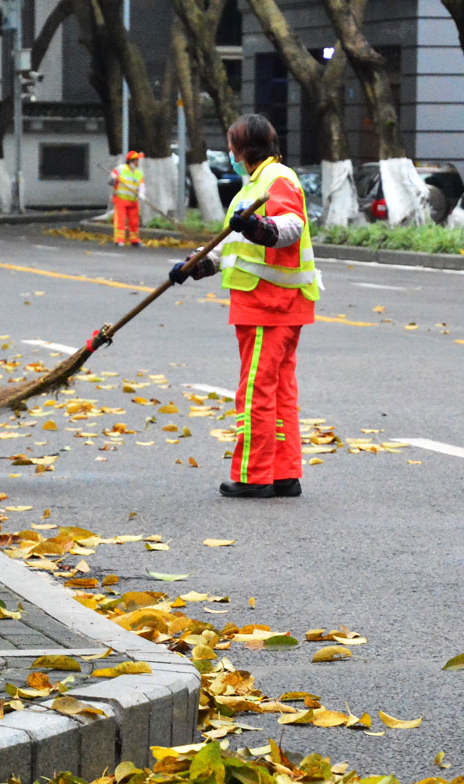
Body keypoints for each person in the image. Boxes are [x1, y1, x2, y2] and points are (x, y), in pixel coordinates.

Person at [167, 113, 320, 499]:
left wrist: (257, 227)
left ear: (243, 149)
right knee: (280, 391)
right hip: (281, 304)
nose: (230, 154)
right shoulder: (253, 186)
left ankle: (254, 477)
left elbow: (289, 228)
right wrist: (197, 266)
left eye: (232, 147)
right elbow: (233, 246)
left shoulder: (275, 180)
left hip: (268, 305)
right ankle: (284, 473)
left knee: (255, 393)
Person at [109, 151, 145, 247]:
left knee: (134, 221)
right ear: (132, 161)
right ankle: (119, 240)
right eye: (137, 161)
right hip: (121, 199)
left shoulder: (139, 172)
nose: (138, 163)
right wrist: (113, 178)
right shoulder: (121, 169)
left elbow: (141, 184)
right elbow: (111, 180)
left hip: (133, 201)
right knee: (120, 220)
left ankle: (135, 240)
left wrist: (141, 194)